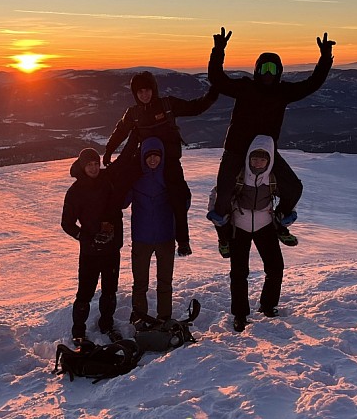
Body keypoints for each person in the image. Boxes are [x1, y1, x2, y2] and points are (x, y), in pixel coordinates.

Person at [206, 27, 335, 247]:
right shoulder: (245, 87)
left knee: (293, 188)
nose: (268, 72)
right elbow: (217, 79)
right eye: (264, 67)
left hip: (266, 152)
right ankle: (224, 235)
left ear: (279, 72)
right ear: (256, 69)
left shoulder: (282, 92)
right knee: (224, 194)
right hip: (236, 149)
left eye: (273, 68)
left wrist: (325, 58)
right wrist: (218, 50)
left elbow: (312, 84)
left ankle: (279, 222)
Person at [104, 70, 218, 256]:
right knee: (120, 186)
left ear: (153, 89)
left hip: (169, 160)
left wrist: (212, 95)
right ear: (135, 94)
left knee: (177, 196)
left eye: (147, 90)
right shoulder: (133, 113)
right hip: (143, 159)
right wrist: (109, 150)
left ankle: (183, 241)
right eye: (140, 92)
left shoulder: (167, 105)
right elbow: (121, 131)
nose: (144, 95)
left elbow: (194, 108)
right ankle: (107, 226)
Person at [217, 135, 285, 333]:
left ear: (269, 160)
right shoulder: (238, 175)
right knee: (239, 273)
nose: (257, 163)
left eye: (262, 159)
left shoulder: (273, 178)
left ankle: (268, 305)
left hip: (265, 225)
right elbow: (219, 192)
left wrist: (287, 213)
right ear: (248, 158)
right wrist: (216, 214)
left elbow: (288, 195)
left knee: (275, 267)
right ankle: (240, 314)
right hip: (239, 226)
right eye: (254, 159)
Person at [61, 148, 124, 345]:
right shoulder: (75, 191)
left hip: (111, 248)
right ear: (82, 166)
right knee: (85, 293)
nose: (94, 168)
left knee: (110, 290)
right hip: (90, 252)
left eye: (96, 163)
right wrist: (86, 238)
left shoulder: (109, 181)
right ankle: (78, 331)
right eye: (89, 165)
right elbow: (67, 223)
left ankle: (107, 324)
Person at [123, 137, 176, 323]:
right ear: (143, 157)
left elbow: (183, 202)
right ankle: (140, 317)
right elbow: (123, 202)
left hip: (166, 236)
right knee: (140, 283)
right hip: (141, 237)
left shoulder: (170, 177)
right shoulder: (135, 178)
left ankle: (165, 317)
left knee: (165, 283)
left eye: (156, 156)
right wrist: (121, 181)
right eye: (149, 156)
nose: (153, 160)